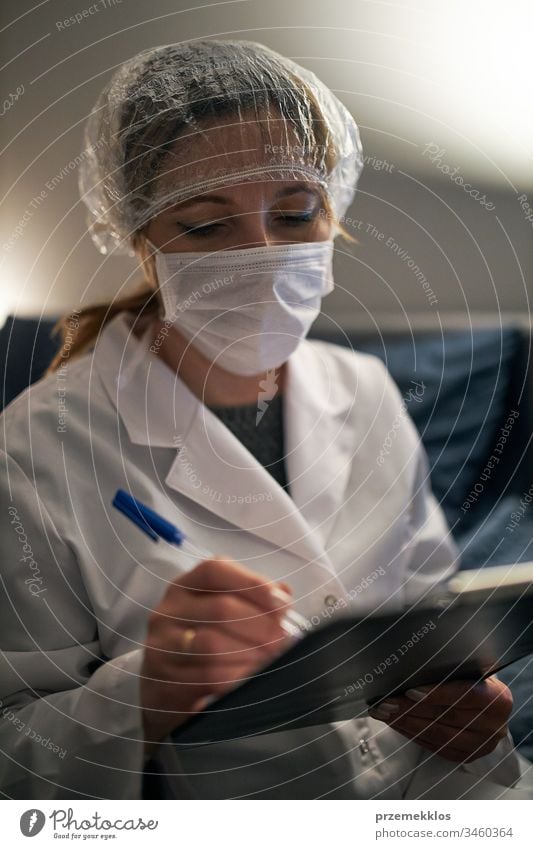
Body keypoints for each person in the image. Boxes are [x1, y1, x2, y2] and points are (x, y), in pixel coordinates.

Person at [0, 39, 530, 800]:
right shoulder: (37, 447)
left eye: (293, 213)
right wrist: (142, 694)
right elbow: (13, 742)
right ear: (140, 236)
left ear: (333, 214)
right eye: (206, 227)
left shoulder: (365, 389)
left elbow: (430, 616)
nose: (261, 253)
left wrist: (469, 715)